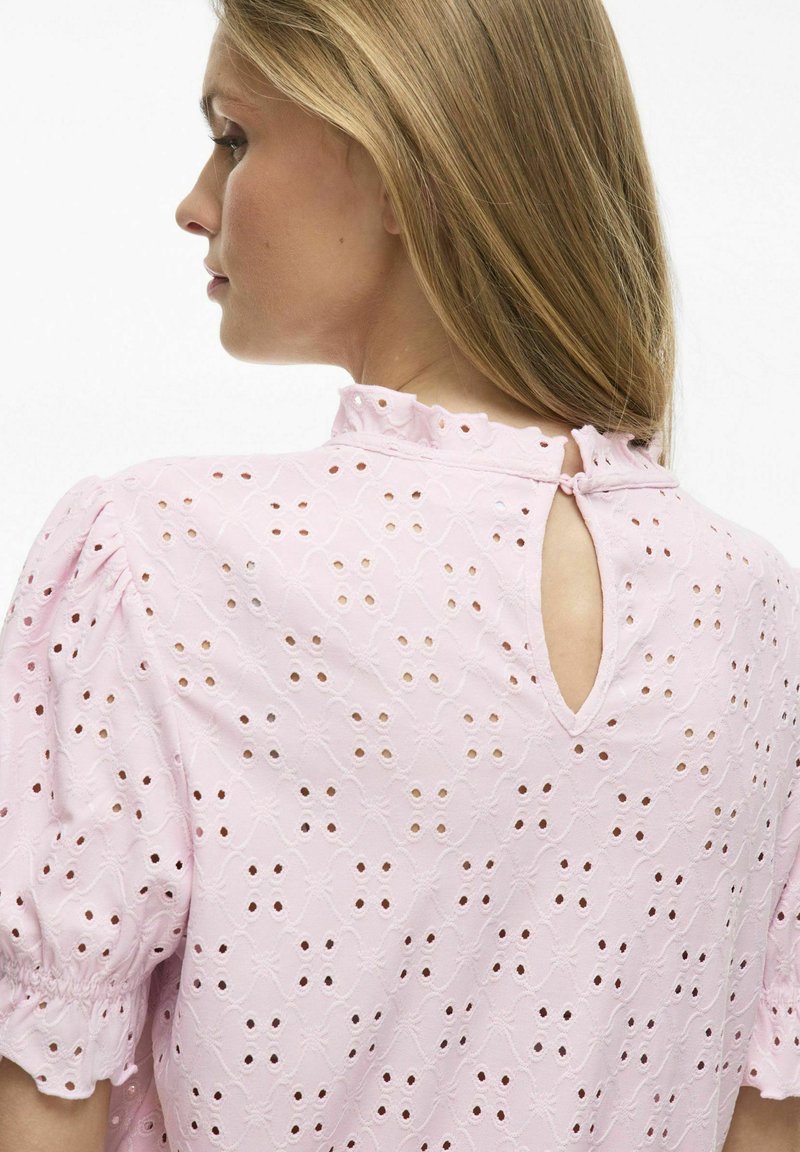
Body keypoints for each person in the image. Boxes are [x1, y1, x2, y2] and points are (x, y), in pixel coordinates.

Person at [1, 2, 798, 1151]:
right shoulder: (750, 606)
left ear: (395, 165)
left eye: (233, 137)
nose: (195, 203)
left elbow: (45, 1100)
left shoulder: (163, 551)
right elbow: (765, 1115)